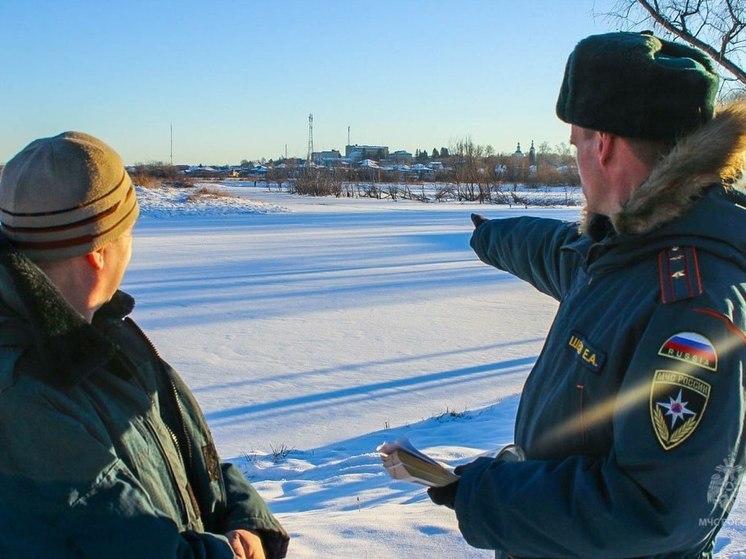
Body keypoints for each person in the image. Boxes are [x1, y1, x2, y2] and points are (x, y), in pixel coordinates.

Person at [428, 32, 746, 558]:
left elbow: (652, 508)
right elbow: (557, 252)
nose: (575, 157)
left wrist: (485, 497)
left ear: (603, 142)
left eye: (575, 142)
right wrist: (490, 235)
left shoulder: (690, 304)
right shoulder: (625, 252)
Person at [0, 132, 289, 558]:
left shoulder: (106, 335)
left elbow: (191, 459)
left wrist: (247, 523)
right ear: (99, 251)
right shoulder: (24, 394)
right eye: (128, 233)